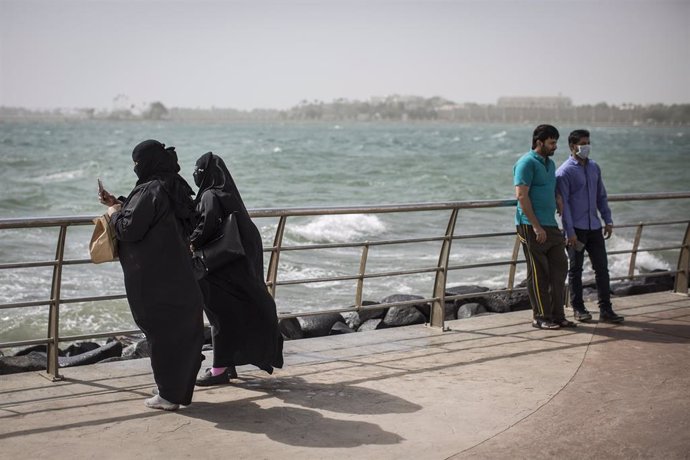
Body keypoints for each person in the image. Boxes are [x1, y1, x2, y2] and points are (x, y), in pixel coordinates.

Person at [99, 139, 205, 411]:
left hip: (156, 278)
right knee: (180, 332)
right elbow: (158, 216)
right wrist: (121, 202)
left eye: (137, 163)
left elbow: (129, 229)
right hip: (180, 273)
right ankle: (173, 388)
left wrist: (112, 213)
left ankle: (169, 395)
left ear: (146, 163)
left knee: (161, 332)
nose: (136, 168)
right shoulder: (175, 185)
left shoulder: (150, 189)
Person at [190, 152, 284, 386]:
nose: (194, 173)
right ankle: (227, 365)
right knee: (231, 315)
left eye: (197, 169)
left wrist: (189, 241)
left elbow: (205, 227)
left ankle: (220, 370)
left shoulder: (210, 195)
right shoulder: (229, 196)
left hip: (217, 270)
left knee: (220, 318)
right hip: (235, 270)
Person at [556, 129, 624, 323]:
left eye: (588, 143)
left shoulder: (594, 167)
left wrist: (607, 220)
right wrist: (569, 232)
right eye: (583, 143)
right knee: (575, 270)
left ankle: (606, 310)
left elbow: (601, 196)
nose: (586, 147)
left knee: (602, 268)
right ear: (572, 146)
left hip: (594, 227)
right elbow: (564, 206)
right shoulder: (564, 172)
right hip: (575, 230)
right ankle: (578, 308)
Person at [513, 124, 575, 329]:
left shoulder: (549, 164)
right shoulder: (526, 163)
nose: (555, 146)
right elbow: (521, 196)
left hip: (550, 224)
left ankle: (558, 315)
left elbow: (551, 188)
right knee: (539, 272)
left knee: (560, 267)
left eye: (556, 142)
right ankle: (540, 317)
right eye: (551, 142)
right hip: (531, 226)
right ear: (539, 142)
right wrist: (536, 226)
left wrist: (558, 197)